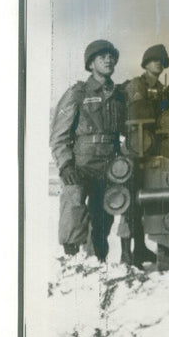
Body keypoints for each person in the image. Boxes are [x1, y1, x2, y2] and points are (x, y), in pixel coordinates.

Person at [50, 40, 125, 261]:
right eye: (102, 57)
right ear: (91, 64)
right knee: (73, 209)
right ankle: (71, 261)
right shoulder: (77, 93)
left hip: (110, 165)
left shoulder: (119, 96)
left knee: (103, 219)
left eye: (111, 56)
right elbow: (59, 135)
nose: (108, 60)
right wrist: (64, 164)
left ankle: (96, 265)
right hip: (81, 164)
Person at [120, 44, 169, 267]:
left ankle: (140, 250)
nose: (158, 63)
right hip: (136, 151)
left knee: (149, 202)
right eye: (153, 60)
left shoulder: (161, 89)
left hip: (154, 153)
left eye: (161, 60)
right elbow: (138, 110)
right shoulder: (136, 85)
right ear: (145, 64)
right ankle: (126, 254)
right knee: (131, 202)